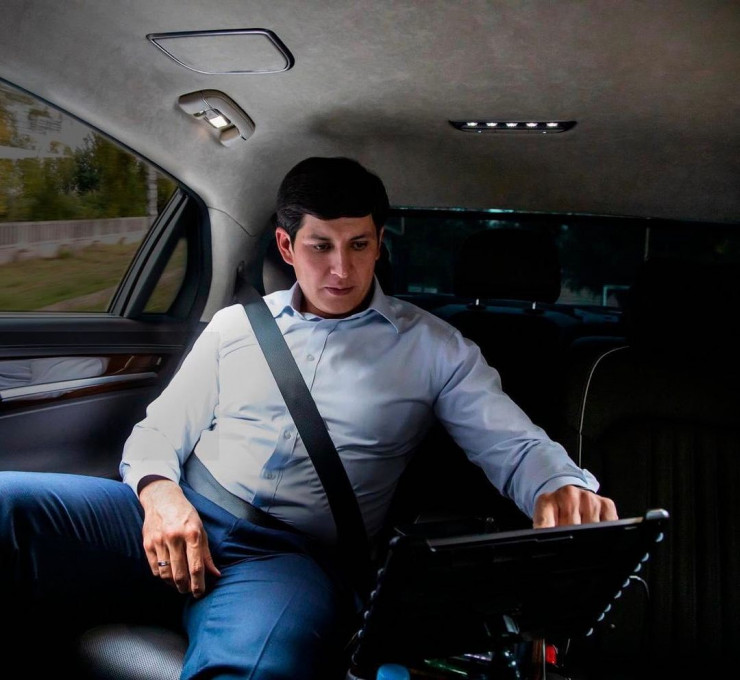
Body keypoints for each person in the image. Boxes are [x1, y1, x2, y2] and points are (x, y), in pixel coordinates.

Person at [0, 156, 617, 680]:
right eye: (320, 246)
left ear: (380, 243)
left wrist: (558, 484)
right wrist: (160, 495)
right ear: (286, 247)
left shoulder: (435, 349)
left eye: (359, 245)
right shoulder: (236, 326)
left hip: (282, 561)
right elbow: (159, 430)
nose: (341, 270)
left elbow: (513, 443)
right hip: (173, 513)